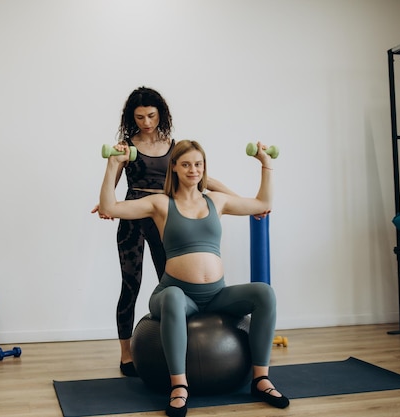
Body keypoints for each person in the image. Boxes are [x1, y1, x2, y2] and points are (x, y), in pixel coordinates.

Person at [99, 140, 289, 416]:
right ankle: (179, 386)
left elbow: (263, 203)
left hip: (216, 295)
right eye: (186, 164)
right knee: (175, 297)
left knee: (264, 293)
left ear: (204, 168)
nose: (193, 170)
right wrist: (112, 164)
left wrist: (266, 164)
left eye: (198, 164)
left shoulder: (216, 200)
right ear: (173, 167)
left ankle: (260, 379)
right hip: (174, 293)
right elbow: (109, 208)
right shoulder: (160, 203)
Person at [91, 87, 238, 377]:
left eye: (151, 116)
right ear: (131, 118)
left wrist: (238, 199)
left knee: (173, 287)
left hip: (166, 218)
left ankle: (181, 347)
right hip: (134, 218)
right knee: (130, 286)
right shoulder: (125, 146)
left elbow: (205, 179)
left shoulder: (174, 147)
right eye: (140, 117)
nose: (146, 122)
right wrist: (105, 204)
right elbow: (113, 181)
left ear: (161, 115)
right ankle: (126, 354)